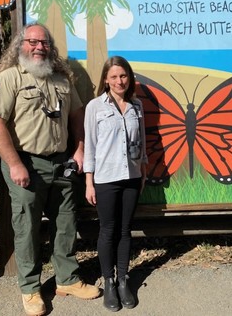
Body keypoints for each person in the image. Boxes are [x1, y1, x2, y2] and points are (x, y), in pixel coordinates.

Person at [0, 23, 99, 316]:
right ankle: (31, 288)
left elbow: (77, 114)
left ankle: (67, 279)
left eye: (44, 43)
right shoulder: (8, 79)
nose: (39, 47)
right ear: (19, 46)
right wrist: (14, 164)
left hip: (62, 163)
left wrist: (80, 148)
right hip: (26, 165)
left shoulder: (62, 79)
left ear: (51, 48)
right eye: (32, 42)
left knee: (66, 223)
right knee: (27, 229)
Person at [84, 56, 147, 312]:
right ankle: (108, 281)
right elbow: (90, 145)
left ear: (129, 77)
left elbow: (141, 140)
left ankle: (123, 280)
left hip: (131, 177)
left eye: (123, 76)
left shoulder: (137, 106)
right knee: (108, 230)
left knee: (125, 230)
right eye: (114, 77)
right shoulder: (95, 107)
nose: (119, 81)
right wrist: (89, 181)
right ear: (106, 80)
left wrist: (143, 170)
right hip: (106, 178)